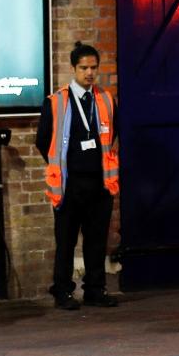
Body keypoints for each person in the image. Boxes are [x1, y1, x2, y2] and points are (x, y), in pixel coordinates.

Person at [37, 41, 120, 309]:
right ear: (73, 68)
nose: (89, 73)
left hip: (100, 182)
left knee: (96, 240)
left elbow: (112, 135)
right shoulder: (56, 101)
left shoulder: (106, 99)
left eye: (94, 68)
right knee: (66, 241)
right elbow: (43, 141)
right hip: (68, 184)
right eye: (84, 68)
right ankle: (63, 291)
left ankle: (95, 289)